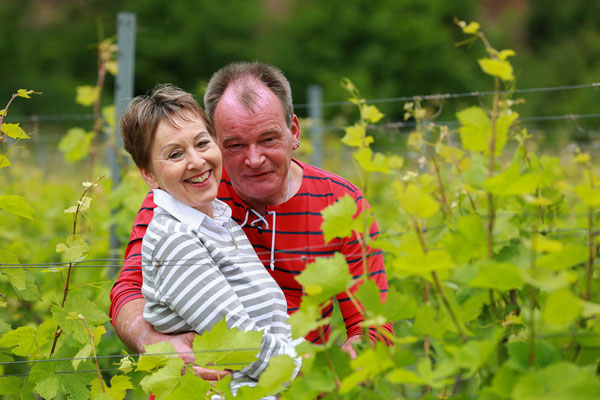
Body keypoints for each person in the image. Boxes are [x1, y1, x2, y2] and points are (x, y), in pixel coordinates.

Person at [110, 62, 393, 376]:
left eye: (269, 139)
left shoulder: (342, 202)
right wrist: (156, 343)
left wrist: (343, 368)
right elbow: (127, 291)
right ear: (216, 140)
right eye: (235, 144)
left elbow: (371, 321)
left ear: (294, 131)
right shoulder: (184, 198)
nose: (255, 159)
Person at [119, 84, 300, 395]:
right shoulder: (175, 238)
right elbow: (240, 342)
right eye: (175, 154)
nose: (197, 161)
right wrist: (312, 371)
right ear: (148, 173)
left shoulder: (218, 220)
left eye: (202, 143)